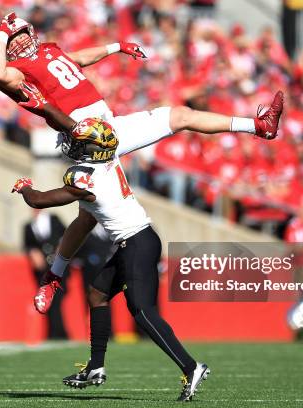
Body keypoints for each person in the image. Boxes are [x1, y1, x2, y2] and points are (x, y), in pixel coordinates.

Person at [0, 11, 285, 314]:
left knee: (181, 116)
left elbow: (77, 58)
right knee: (87, 218)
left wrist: (117, 47)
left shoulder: (49, 50)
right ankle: (53, 276)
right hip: (87, 139)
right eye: (14, 37)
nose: (22, 39)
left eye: (22, 33)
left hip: (110, 128)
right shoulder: (15, 69)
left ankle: (259, 126)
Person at [12, 118, 210, 402]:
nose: (75, 146)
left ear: (93, 148)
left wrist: (25, 188)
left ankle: (191, 367)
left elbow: (40, 201)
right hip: (139, 240)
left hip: (136, 244)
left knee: (142, 311)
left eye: (82, 143)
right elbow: (83, 222)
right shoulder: (106, 164)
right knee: (97, 294)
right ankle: (95, 366)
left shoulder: (85, 177)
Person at [23, 209, 68, 339]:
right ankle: (54, 333)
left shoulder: (54, 218)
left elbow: (66, 234)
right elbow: (27, 245)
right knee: (47, 300)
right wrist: (32, 252)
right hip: (42, 270)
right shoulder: (28, 226)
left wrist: (62, 247)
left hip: (58, 266)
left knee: (57, 299)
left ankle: (59, 333)